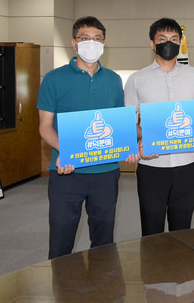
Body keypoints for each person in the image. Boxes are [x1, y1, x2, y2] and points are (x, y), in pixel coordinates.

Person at [37, 16, 135, 259]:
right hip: (67, 171)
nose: (92, 43)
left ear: (104, 44)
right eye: (85, 38)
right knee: (61, 241)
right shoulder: (53, 79)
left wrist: (129, 147)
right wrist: (66, 150)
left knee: (103, 241)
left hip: (106, 172)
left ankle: (103, 282)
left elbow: (118, 125)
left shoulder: (113, 79)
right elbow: (45, 127)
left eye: (97, 39)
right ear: (74, 43)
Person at [124, 18, 194, 236]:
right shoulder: (136, 79)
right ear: (152, 44)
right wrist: (147, 136)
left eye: (174, 39)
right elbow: (128, 123)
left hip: (187, 165)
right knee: (151, 231)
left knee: (182, 231)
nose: (168, 43)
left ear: (180, 43)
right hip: (151, 166)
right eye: (162, 39)